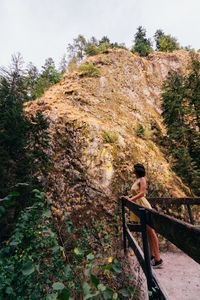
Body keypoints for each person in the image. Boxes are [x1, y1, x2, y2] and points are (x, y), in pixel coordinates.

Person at [123, 163, 163, 268]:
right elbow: (135, 192)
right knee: (148, 231)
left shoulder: (142, 179)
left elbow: (141, 193)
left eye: (133, 168)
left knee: (151, 231)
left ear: (137, 170)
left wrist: (131, 199)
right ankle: (152, 256)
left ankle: (158, 259)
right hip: (139, 205)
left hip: (144, 206)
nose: (131, 170)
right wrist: (128, 197)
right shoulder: (137, 180)